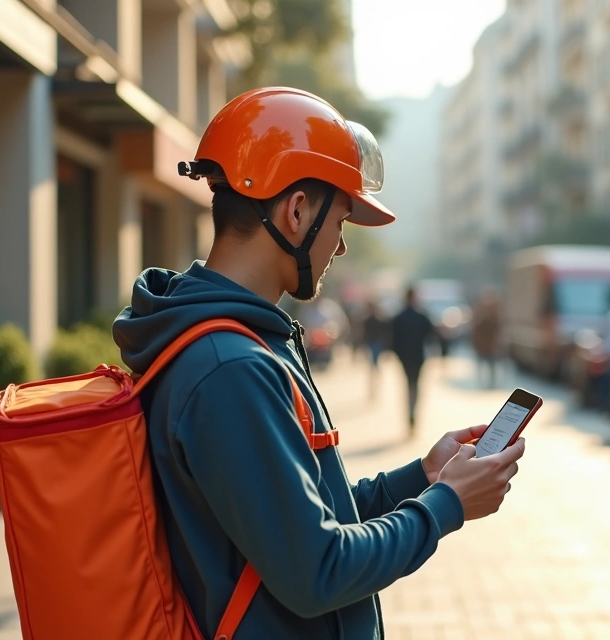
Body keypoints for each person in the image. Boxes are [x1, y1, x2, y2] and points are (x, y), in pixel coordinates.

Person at [114, 87, 525, 639]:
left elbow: (302, 517)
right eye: (341, 221)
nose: (341, 245)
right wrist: (446, 505)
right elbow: (319, 570)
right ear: (297, 211)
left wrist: (424, 478)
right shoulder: (230, 367)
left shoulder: (240, 346)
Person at [390, 286, 443, 431]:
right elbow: (433, 335)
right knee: (416, 385)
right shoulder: (422, 316)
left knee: (408, 384)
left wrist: (396, 354)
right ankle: (413, 410)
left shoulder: (399, 317)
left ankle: (410, 410)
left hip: (404, 357)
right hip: (418, 356)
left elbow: (392, 340)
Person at [470, 292, 503, 389]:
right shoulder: (480, 315)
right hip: (481, 346)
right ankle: (483, 384)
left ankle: (491, 384)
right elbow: (475, 330)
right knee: (482, 365)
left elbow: (499, 331)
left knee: (491, 366)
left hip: (490, 347)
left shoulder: (495, 317)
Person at [360, 299, 389, 397]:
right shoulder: (368, 320)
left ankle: (376, 386)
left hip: (376, 344)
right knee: (373, 365)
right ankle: (373, 387)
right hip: (371, 344)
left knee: (374, 365)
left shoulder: (377, 320)